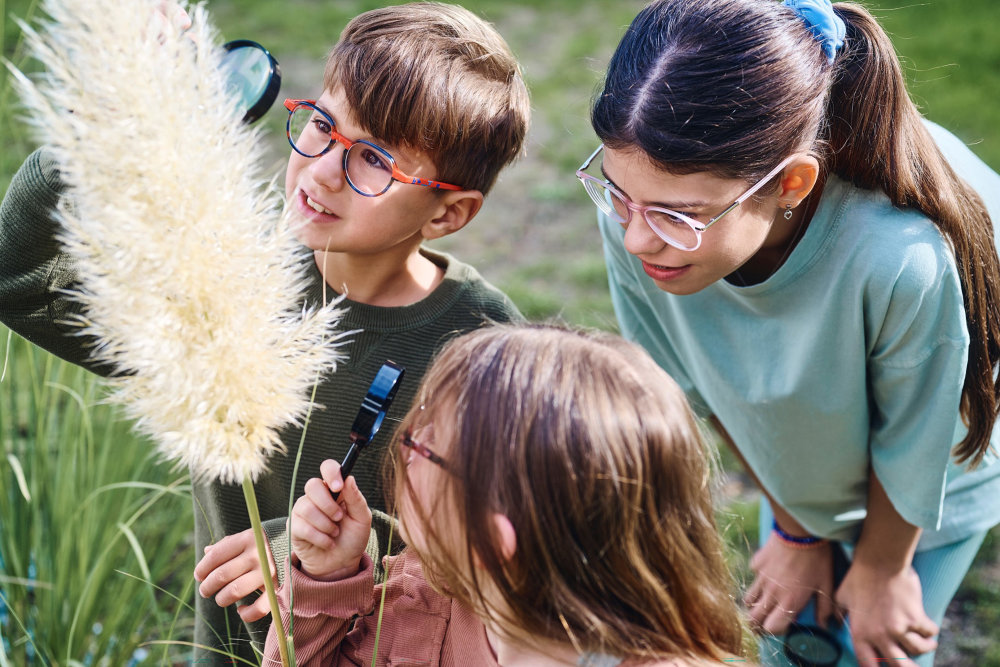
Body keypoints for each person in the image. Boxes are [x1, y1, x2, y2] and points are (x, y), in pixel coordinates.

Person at [0, 2, 529, 659]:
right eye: (322, 126)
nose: (324, 169)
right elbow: (20, 282)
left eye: (373, 160)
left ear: (449, 212)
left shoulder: (486, 345)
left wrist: (324, 555)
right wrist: (90, 137)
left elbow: (497, 554)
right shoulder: (221, 279)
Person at [575, 1, 1000, 665]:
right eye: (619, 195)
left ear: (791, 184)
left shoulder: (901, 260)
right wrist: (799, 532)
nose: (633, 237)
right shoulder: (642, 216)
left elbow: (916, 435)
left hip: (936, 468)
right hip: (804, 442)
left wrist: (885, 570)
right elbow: (693, 382)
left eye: (677, 215)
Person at [263, 323, 751, 666]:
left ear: (491, 544)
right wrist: (327, 580)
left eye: (425, 445)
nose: (403, 445)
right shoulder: (429, 595)